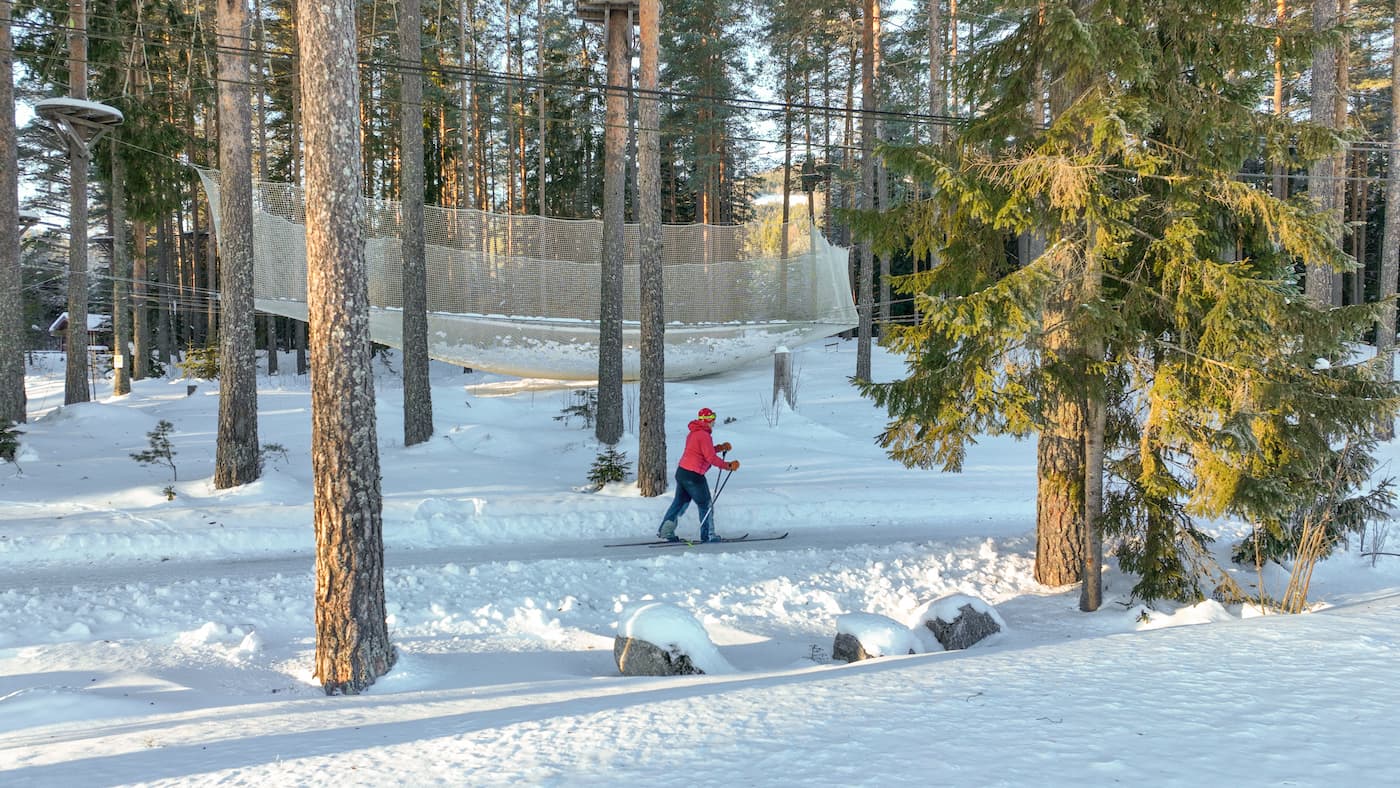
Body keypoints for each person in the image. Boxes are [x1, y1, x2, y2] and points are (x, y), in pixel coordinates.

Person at [656, 407, 740, 543]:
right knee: (705, 505)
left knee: (679, 503)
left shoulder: (694, 433)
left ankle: (666, 531)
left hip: (682, 473)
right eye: (712, 419)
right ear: (707, 420)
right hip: (694, 477)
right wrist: (728, 466)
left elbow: (702, 451)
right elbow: (710, 458)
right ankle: (709, 535)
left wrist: (720, 448)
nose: (714, 421)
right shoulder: (704, 435)